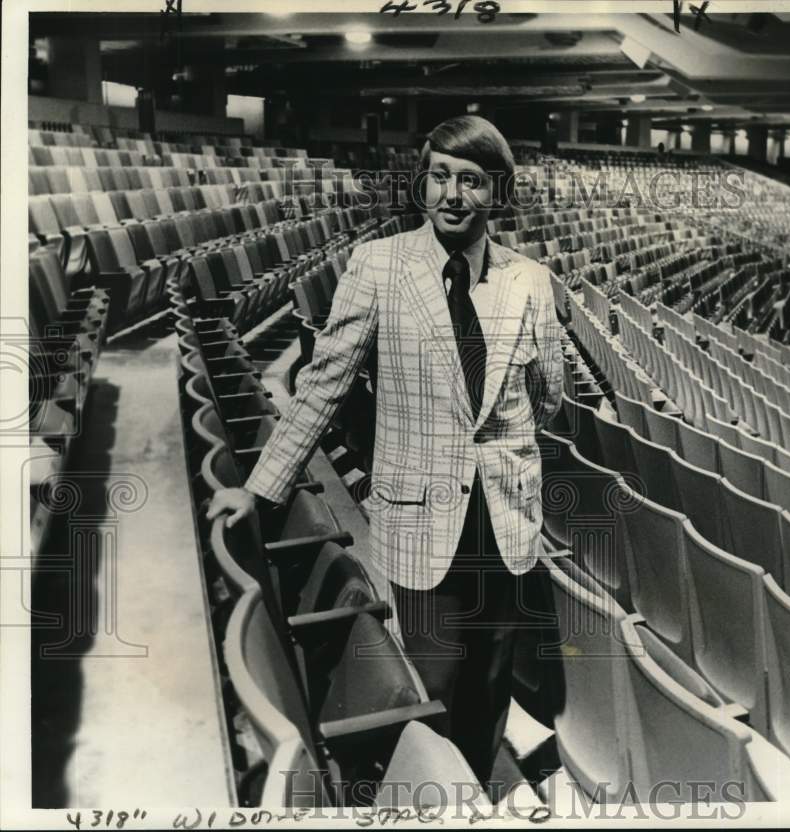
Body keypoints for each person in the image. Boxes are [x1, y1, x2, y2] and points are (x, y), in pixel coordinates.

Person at [206, 115, 564, 786]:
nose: (454, 194)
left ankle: (478, 794)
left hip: (506, 517)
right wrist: (256, 491)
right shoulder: (378, 266)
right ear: (420, 186)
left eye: (473, 180)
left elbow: (547, 397)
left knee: (490, 676)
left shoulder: (531, 282)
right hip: (420, 517)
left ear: (499, 192)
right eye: (440, 177)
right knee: (434, 679)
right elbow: (321, 387)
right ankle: (433, 797)